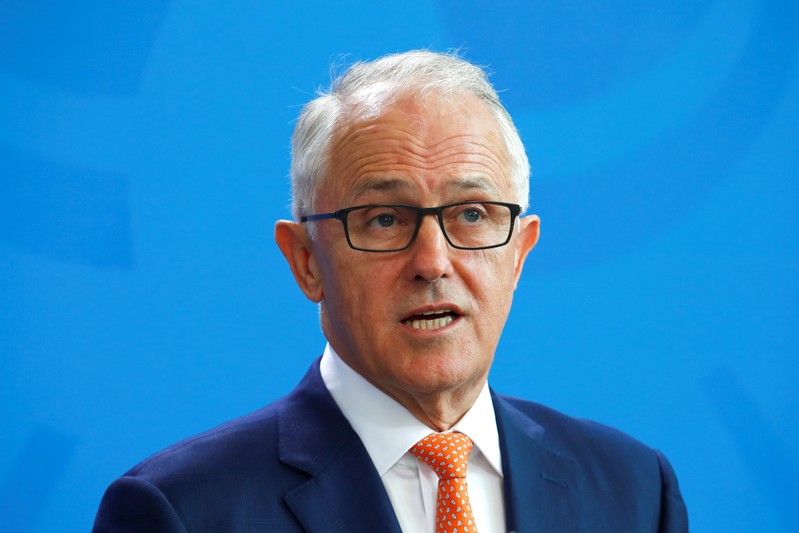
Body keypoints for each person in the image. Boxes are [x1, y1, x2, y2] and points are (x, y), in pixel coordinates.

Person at [93, 50, 688, 532]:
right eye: (384, 219)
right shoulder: (178, 511)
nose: (432, 262)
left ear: (520, 253)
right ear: (306, 261)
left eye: (472, 214)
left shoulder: (634, 491)